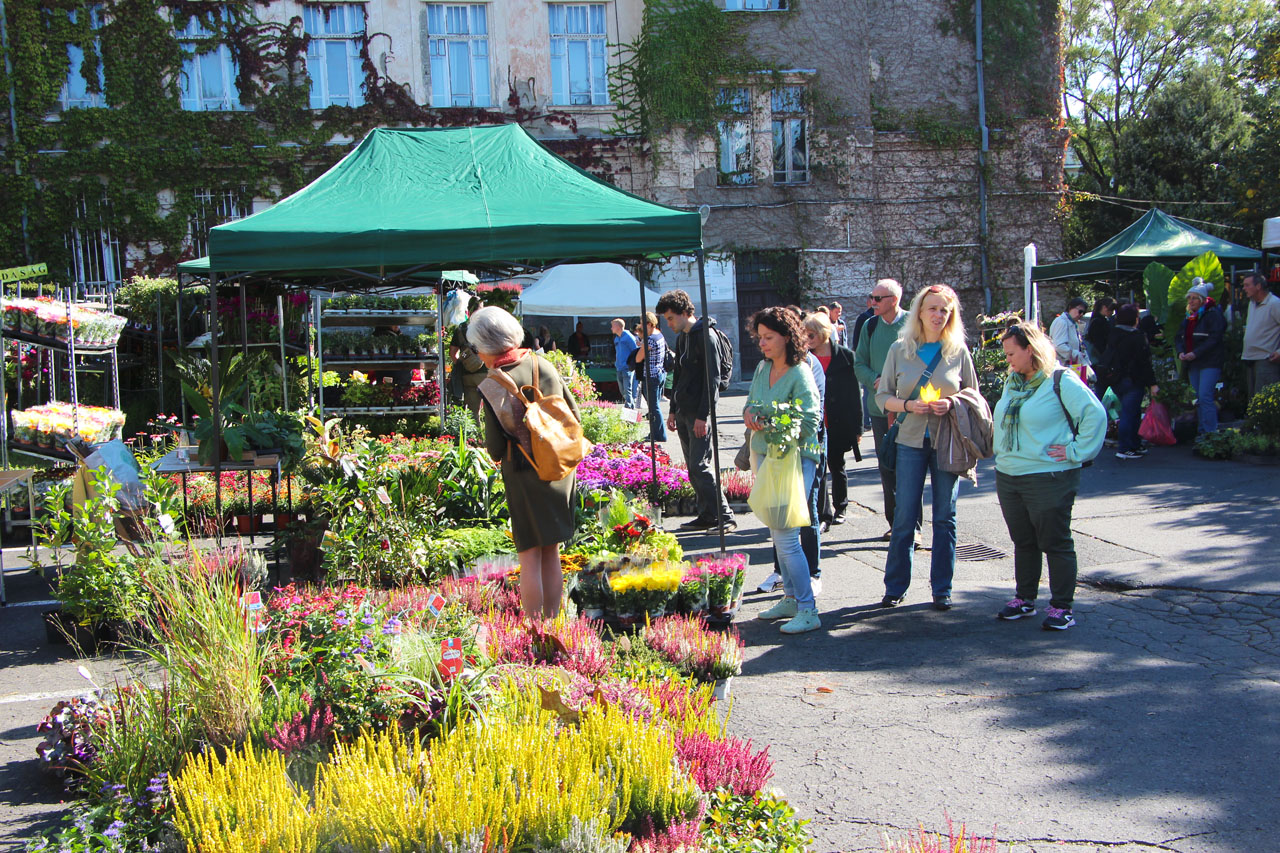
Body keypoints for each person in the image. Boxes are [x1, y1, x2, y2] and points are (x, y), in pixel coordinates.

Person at [992, 321, 1106, 631]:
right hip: (1010, 474)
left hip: (1048, 476)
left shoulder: (1060, 379)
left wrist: (1075, 452)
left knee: (1055, 541)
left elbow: (1094, 415)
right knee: (1023, 540)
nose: (1007, 360)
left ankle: (1062, 607)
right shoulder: (1013, 382)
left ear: (1030, 350)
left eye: (1011, 353)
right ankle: (1025, 598)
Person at [470, 306, 580, 619]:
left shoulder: (492, 383)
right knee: (552, 550)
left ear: (486, 346)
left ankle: (534, 629)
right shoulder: (542, 363)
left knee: (529, 555)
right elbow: (574, 414)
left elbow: (494, 449)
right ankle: (554, 623)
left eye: (476, 347)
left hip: (523, 471)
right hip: (559, 465)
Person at [875, 284, 978, 611]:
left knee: (945, 517)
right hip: (909, 441)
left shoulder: (958, 351)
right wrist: (907, 405)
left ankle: (942, 589)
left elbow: (974, 397)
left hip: (948, 443)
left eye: (945, 310)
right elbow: (881, 397)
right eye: (932, 308)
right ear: (919, 311)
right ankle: (895, 587)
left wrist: (952, 403)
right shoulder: (900, 349)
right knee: (905, 515)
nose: (938, 315)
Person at [743, 307, 822, 635]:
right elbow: (750, 403)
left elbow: (811, 419)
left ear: (787, 337)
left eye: (768, 337)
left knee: (787, 537)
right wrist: (750, 414)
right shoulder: (763, 368)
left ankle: (808, 608)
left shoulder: (800, 371)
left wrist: (773, 423)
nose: (761, 343)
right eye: (759, 337)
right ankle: (790, 598)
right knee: (778, 533)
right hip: (767, 456)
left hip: (795, 459)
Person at [657, 289, 735, 532]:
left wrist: (704, 415)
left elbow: (712, 381)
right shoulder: (683, 337)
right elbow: (678, 376)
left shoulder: (706, 337)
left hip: (698, 414)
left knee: (700, 466)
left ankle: (725, 516)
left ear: (683, 312)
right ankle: (707, 514)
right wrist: (672, 410)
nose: (668, 324)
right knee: (693, 468)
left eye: (671, 318)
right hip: (683, 411)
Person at [854, 278, 922, 543]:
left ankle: (914, 527)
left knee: (911, 468)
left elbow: (922, 362)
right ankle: (895, 524)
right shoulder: (870, 326)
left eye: (877, 298)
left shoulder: (913, 325)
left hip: (909, 410)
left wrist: (901, 384)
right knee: (887, 466)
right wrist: (875, 380)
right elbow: (859, 363)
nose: (872, 302)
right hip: (880, 409)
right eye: (872, 297)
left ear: (894, 300)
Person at [804, 311, 862, 526]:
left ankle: (841, 506)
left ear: (823, 333)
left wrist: (858, 427)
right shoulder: (805, 359)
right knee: (819, 469)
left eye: (811, 335)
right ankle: (822, 513)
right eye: (805, 335)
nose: (807, 339)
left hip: (839, 420)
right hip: (817, 421)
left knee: (837, 466)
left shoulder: (846, 356)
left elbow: (855, 394)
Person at [1098, 304, 1158, 460]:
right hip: (1134, 378)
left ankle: (1133, 444)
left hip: (1115, 379)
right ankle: (1125, 447)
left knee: (1130, 412)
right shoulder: (1137, 337)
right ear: (1135, 319)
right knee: (1130, 414)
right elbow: (1145, 363)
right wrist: (1153, 383)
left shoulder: (1113, 334)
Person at [1175, 280, 1226, 435]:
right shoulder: (1189, 317)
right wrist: (1180, 352)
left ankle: (1211, 433)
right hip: (1193, 363)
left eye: (1194, 298)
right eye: (1189, 298)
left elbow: (1214, 338)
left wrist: (1196, 352)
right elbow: (1179, 337)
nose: (1191, 301)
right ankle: (1202, 431)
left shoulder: (1213, 315)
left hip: (1209, 362)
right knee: (1199, 398)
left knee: (1205, 396)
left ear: (1202, 300)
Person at [448, 298, 488, 422]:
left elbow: (452, 353)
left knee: (472, 412)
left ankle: (474, 433)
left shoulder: (460, 329)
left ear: (468, 310)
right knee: (490, 411)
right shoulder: (486, 328)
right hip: (484, 373)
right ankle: (488, 433)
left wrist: (464, 363)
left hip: (467, 375)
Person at [1241, 272, 1280, 399]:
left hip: (1266, 359)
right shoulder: (1252, 303)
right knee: (1253, 400)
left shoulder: (1274, 303)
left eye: (1247, 285)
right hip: (1250, 358)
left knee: (1263, 400)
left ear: (1258, 286)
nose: (1244, 288)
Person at [635, 311, 668, 442]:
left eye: (642, 323)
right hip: (660, 373)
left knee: (653, 407)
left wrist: (641, 346)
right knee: (655, 406)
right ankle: (657, 433)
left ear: (649, 324)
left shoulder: (650, 340)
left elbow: (638, 358)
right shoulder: (659, 334)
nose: (640, 326)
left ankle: (659, 435)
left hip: (651, 376)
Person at [1050, 297, 1090, 382]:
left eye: (1083, 313)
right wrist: (1076, 354)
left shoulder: (1072, 323)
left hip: (1070, 367)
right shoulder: (1062, 322)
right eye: (1080, 311)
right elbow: (1059, 346)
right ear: (1070, 307)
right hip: (1063, 366)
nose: (1081, 314)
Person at [852, 295, 876, 430]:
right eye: (875, 299)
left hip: (875, 360)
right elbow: (857, 341)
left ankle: (867, 420)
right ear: (869, 302)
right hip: (868, 360)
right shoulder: (865, 318)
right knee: (868, 391)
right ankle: (866, 420)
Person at [611, 318, 639, 409]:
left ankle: (629, 408)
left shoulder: (628, 337)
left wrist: (632, 364)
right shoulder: (616, 338)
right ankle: (631, 406)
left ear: (618, 327)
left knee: (627, 390)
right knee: (622, 390)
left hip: (627, 368)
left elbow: (635, 350)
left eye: (613, 326)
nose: (611, 328)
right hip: (619, 367)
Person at [1084, 297, 1115, 374]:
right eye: (1111, 309)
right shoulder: (1099, 322)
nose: (1112, 312)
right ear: (1104, 308)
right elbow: (1099, 342)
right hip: (1098, 357)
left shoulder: (1096, 319)